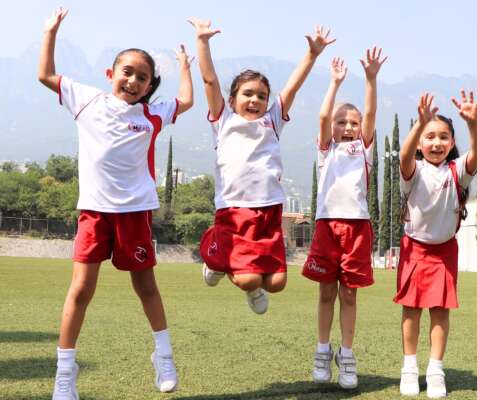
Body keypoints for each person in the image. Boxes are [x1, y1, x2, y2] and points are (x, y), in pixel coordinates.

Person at [38, 8, 193, 399]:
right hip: (94, 211)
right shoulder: (86, 100)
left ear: (148, 86)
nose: (133, 80)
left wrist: (186, 65)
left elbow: (187, 100)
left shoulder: (151, 115)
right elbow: (45, 75)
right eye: (127, 72)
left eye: (142, 77)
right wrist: (50, 32)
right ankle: (65, 374)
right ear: (110, 74)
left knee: (146, 288)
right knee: (80, 290)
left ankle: (164, 356)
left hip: (135, 214)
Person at [188, 17, 334, 314]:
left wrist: (313, 54)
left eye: (261, 96)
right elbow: (209, 81)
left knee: (277, 282)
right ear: (232, 100)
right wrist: (202, 42)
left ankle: (238, 273)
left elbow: (292, 88)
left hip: (269, 211)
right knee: (249, 279)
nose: (255, 100)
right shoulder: (223, 121)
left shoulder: (272, 121)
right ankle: (215, 258)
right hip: (233, 209)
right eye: (247, 94)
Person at [302, 49, 387, 389]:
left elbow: (370, 112)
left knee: (349, 295)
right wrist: (334, 83)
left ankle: (346, 355)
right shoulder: (326, 149)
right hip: (327, 226)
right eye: (342, 122)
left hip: (357, 227)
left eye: (353, 122)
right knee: (326, 293)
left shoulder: (362, 149)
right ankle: (322, 350)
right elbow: (323, 116)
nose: (348, 126)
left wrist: (370, 78)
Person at [395, 92, 477, 398]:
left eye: (444, 137)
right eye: (429, 137)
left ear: (453, 142)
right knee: (411, 309)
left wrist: (473, 124)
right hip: (414, 248)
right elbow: (404, 157)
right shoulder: (413, 173)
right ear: (419, 143)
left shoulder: (458, 172)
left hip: (444, 252)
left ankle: (436, 369)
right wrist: (418, 125)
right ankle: (409, 368)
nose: (436, 143)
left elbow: (475, 153)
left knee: (441, 311)